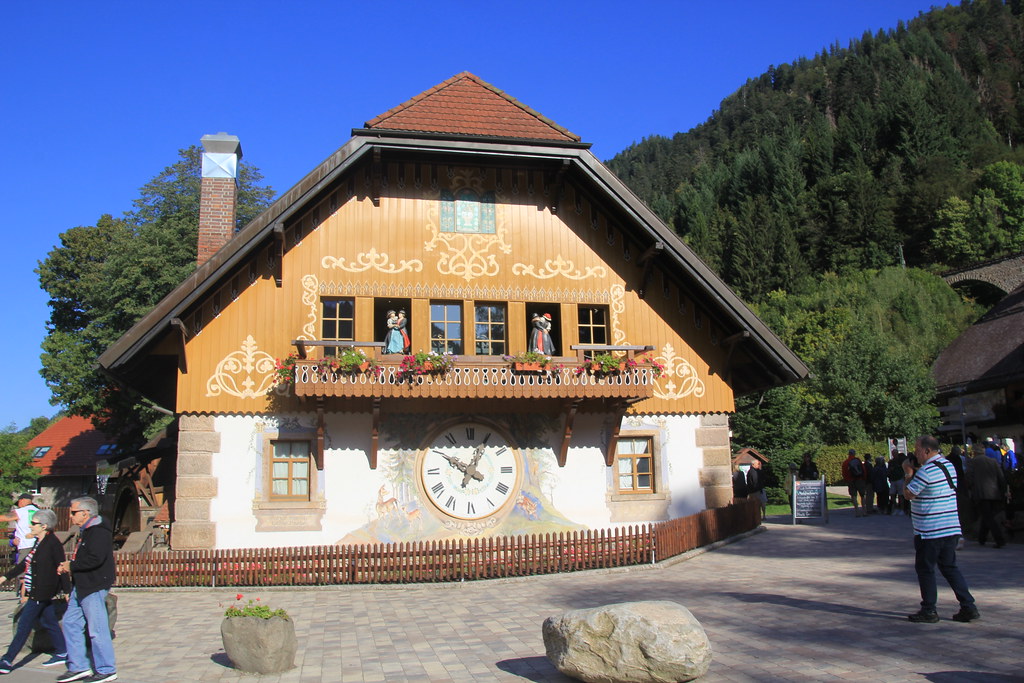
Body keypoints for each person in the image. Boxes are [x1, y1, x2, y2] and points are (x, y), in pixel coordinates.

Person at [902, 435, 979, 624]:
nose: (915, 453)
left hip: (930, 530)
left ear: (927, 450)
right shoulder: (947, 465)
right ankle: (968, 606)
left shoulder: (926, 472)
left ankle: (929, 609)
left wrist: (908, 473)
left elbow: (908, 494)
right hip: (950, 527)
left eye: (918, 449)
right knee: (949, 567)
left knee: (925, 569)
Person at [0, 509, 69, 674]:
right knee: (49, 621)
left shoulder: (53, 543)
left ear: (44, 526)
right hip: (37, 590)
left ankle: (7, 660)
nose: (30, 525)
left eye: (34, 523)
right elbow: (25, 564)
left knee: (24, 625)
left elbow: (62, 567)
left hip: (41, 591)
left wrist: (67, 591)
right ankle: (62, 651)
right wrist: (5, 577)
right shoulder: (39, 542)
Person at [57, 497, 116, 683]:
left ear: (86, 513)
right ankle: (79, 666)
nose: (71, 515)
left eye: (74, 512)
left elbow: (95, 559)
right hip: (80, 585)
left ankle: (107, 669)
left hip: (94, 585)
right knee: (70, 623)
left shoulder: (98, 532)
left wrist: (71, 566)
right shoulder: (86, 531)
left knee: (97, 629)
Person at [967, 443, 1007, 548]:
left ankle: (999, 540)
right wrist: (1003, 491)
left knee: (988, 517)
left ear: (974, 452)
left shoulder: (973, 462)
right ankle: (982, 538)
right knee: (988, 515)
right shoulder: (993, 461)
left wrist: (970, 489)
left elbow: (969, 478)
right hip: (994, 493)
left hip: (981, 493)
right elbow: (1001, 478)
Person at [0, 495, 40, 564]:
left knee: (22, 571)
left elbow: (4, 518)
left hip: (26, 545)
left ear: (21, 500)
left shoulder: (21, 511)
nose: (18, 506)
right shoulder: (39, 511)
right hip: (39, 545)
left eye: (18, 503)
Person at [842, 449, 867, 517]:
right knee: (862, 495)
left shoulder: (845, 463)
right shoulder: (857, 460)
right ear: (854, 453)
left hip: (850, 481)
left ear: (849, 454)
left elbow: (844, 473)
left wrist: (847, 480)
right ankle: (864, 511)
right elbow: (863, 469)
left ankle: (857, 512)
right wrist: (864, 478)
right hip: (859, 479)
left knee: (853, 496)